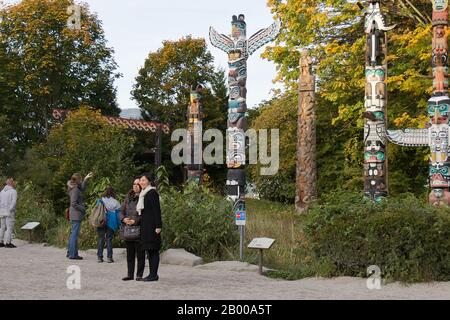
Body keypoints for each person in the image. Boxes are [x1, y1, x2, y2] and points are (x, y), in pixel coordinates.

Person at [137, 173, 162, 282]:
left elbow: (157, 210)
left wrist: (158, 226)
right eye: (140, 181)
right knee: (149, 251)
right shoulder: (143, 194)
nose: (141, 182)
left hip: (152, 226)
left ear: (149, 181)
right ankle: (151, 274)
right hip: (146, 226)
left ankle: (154, 275)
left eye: (143, 180)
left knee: (153, 250)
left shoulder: (152, 193)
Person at [120, 178, 145, 281]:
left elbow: (145, 214)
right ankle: (130, 274)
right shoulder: (127, 197)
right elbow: (120, 211)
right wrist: (123, 219)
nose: (135, 186)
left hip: (139, 229)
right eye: (134, 184)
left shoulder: (144, 197)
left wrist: (135, 221)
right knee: (129, 254)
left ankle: (139, 275)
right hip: (128, 229)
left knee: (140, 254)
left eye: (137, 184)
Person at [67, 172, 93, 260]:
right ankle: (73, 255)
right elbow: (73, 203)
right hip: (76, 214)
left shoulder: (75, 187)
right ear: (77, 180)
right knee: (74, 234)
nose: (81, 180)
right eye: (81, 179)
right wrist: (83, 208)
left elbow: (82, 188)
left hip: (74, 214)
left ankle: (70, 253)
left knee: (73, 234)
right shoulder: (75, 189)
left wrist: (86, 179)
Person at [97, 187, 121, 263]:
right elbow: (118, 214)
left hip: (101, 220)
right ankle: (109, 258)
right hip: (111, 222)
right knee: (109, 239)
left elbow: (97, 211)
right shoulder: (116, 202)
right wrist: (119, 224)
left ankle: (99, 257)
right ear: (113, 193)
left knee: (101, 239)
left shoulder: (100, 200)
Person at [0, 178, 18, 248]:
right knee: (9, 227)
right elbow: (13, 202)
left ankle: (0, 242)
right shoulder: (13, 191)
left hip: (2, 211)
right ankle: (8, 242)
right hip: (9, 212)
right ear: (11, 183)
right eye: (13, 182)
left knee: (2, 227)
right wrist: (10, 210)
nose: (14, 183)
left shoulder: (1, 192)